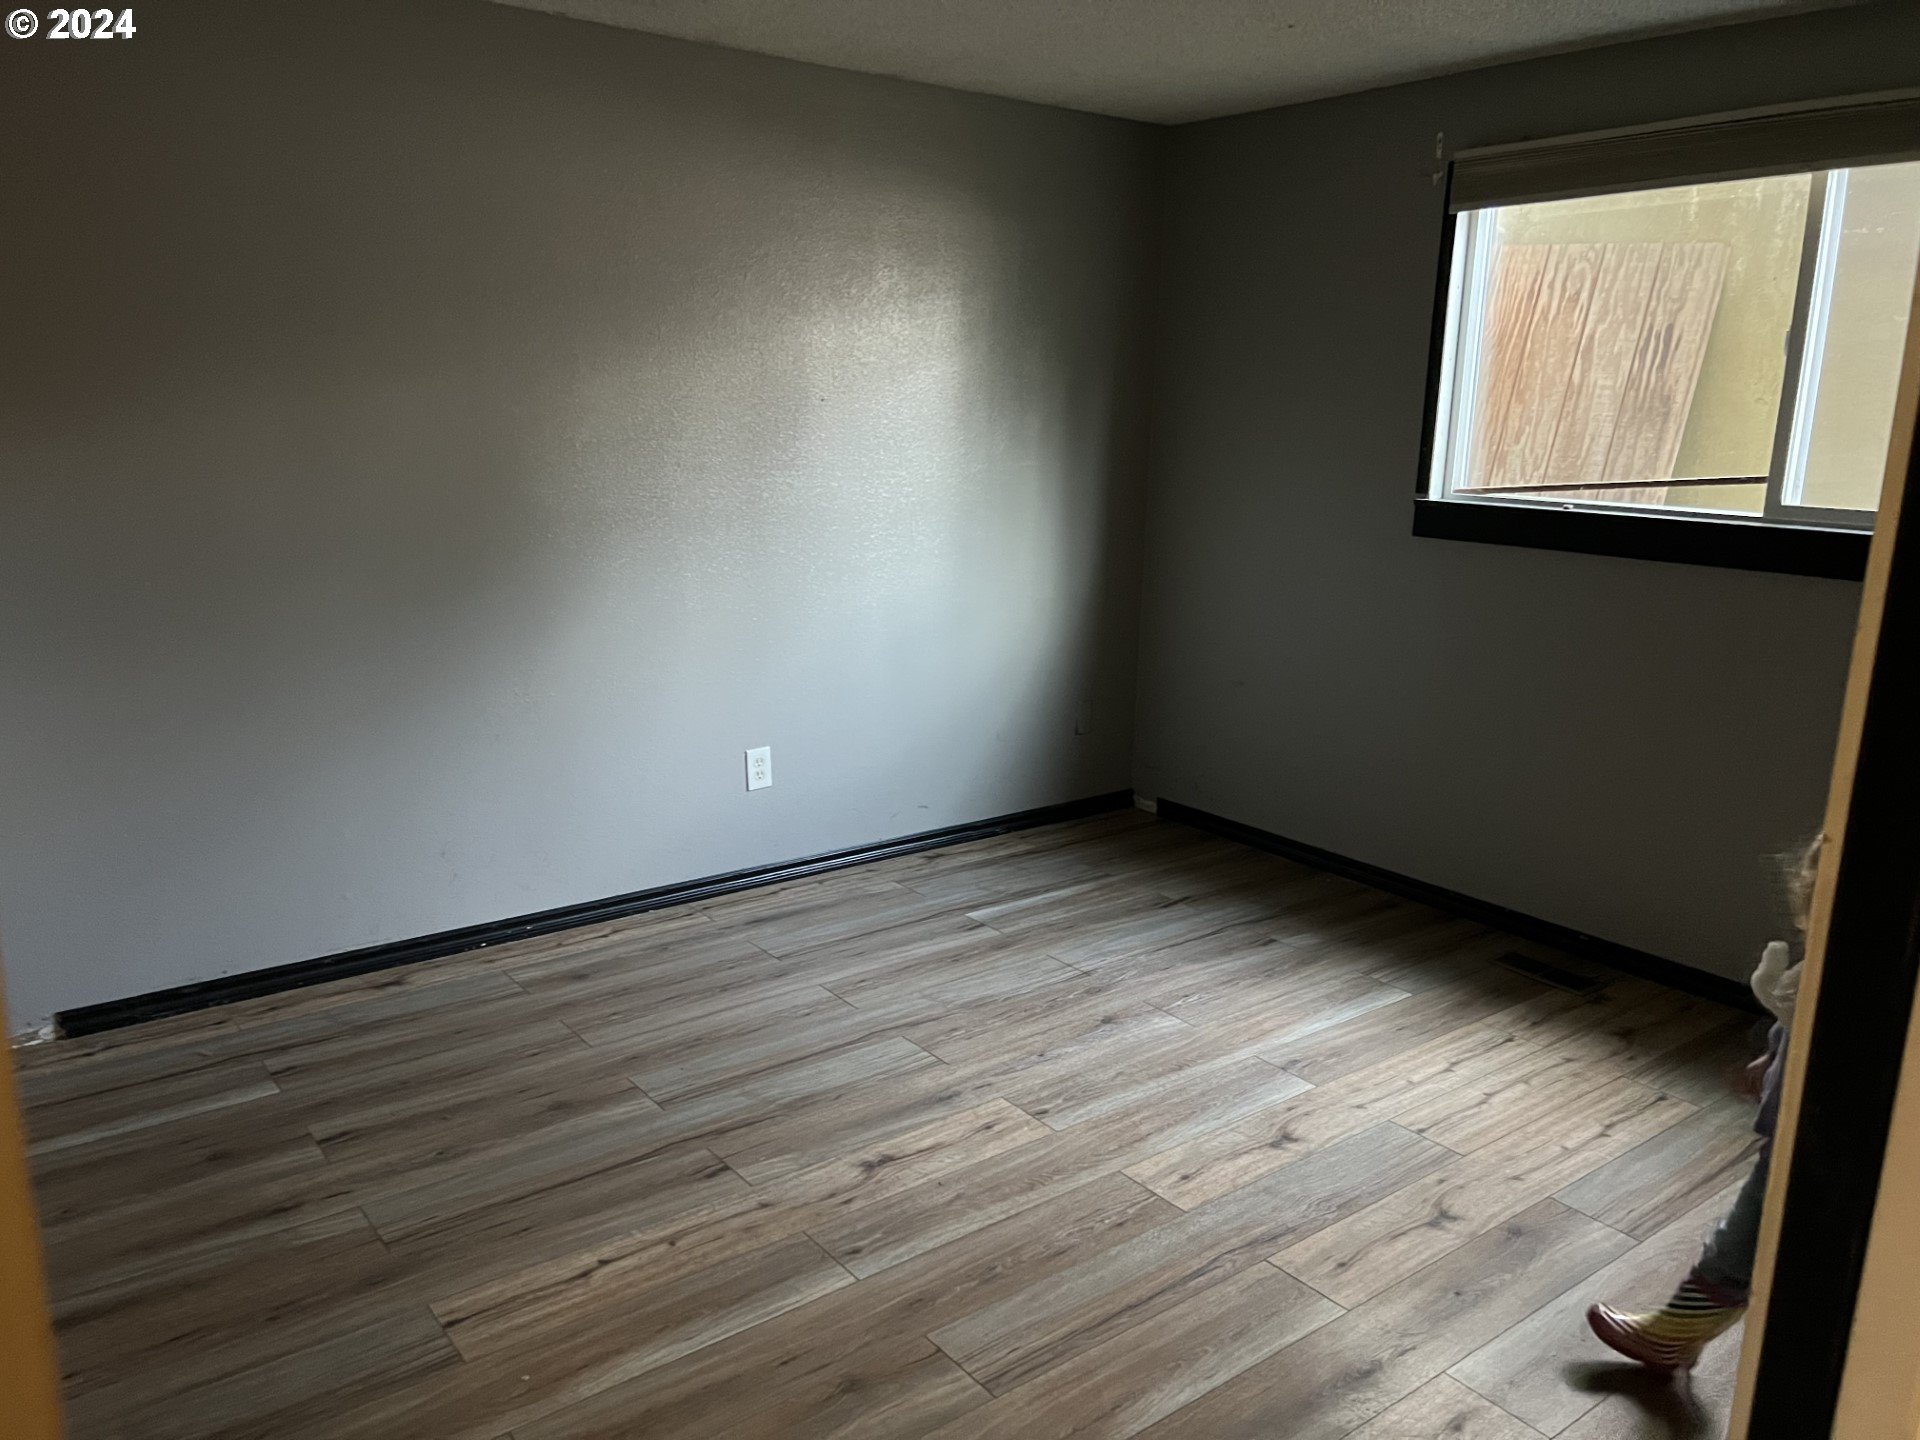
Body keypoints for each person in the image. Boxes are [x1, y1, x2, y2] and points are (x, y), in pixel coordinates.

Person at [1585, 837, 1820, 1372]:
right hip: (1792, 1123)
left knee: (1753, 1223)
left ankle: (1680, 1327)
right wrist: (1772, 1054)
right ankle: (1687, 1324)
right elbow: (1795, 1020)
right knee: (1767, 1214)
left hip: (1816, 1134)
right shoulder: (1823, 965)